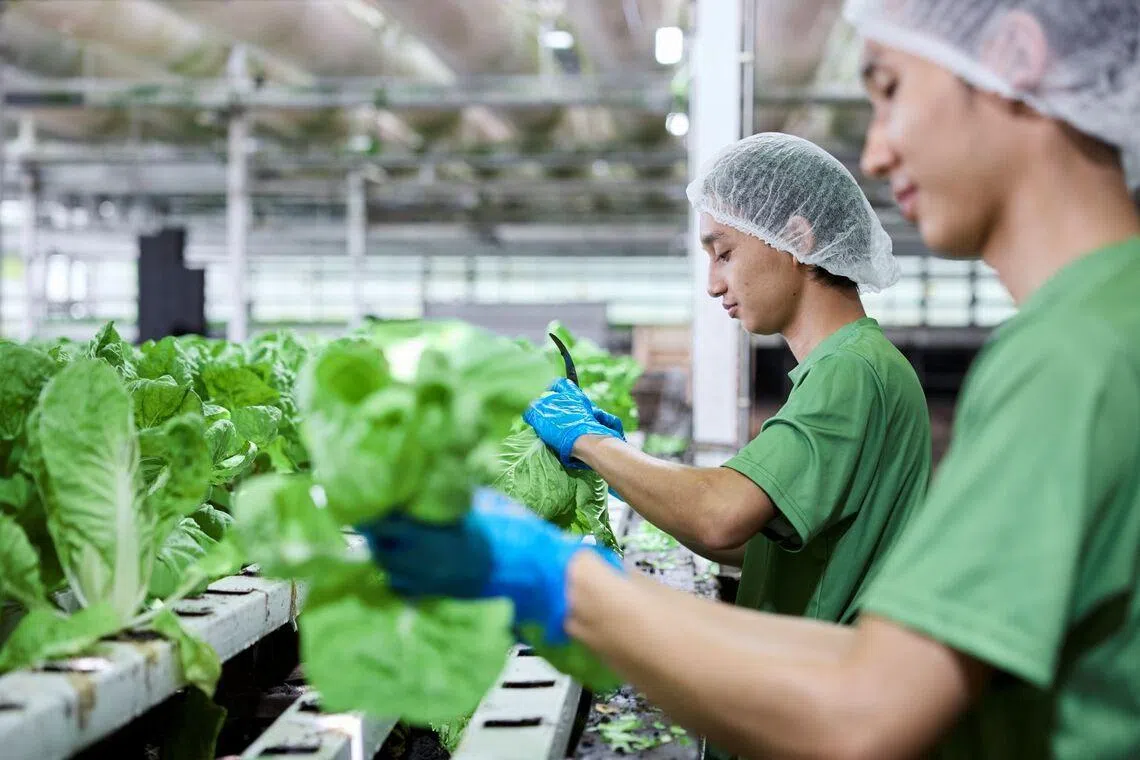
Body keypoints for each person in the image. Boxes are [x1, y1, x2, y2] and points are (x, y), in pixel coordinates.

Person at [364, 0, 1140, 756]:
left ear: (1015, 57)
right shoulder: (1094, 325)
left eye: (892, 88)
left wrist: (566, 578)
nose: (874, 153)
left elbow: (863, 707)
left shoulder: (1071, 353)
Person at [528, 132, 931, 634]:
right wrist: (625, 469)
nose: (713, 284)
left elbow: (722, 516)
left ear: (798, 240)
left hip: (823, 685)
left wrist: (590, 442)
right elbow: (752, 539)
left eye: (724, 253)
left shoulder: (850, 370)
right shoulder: (851, 364)